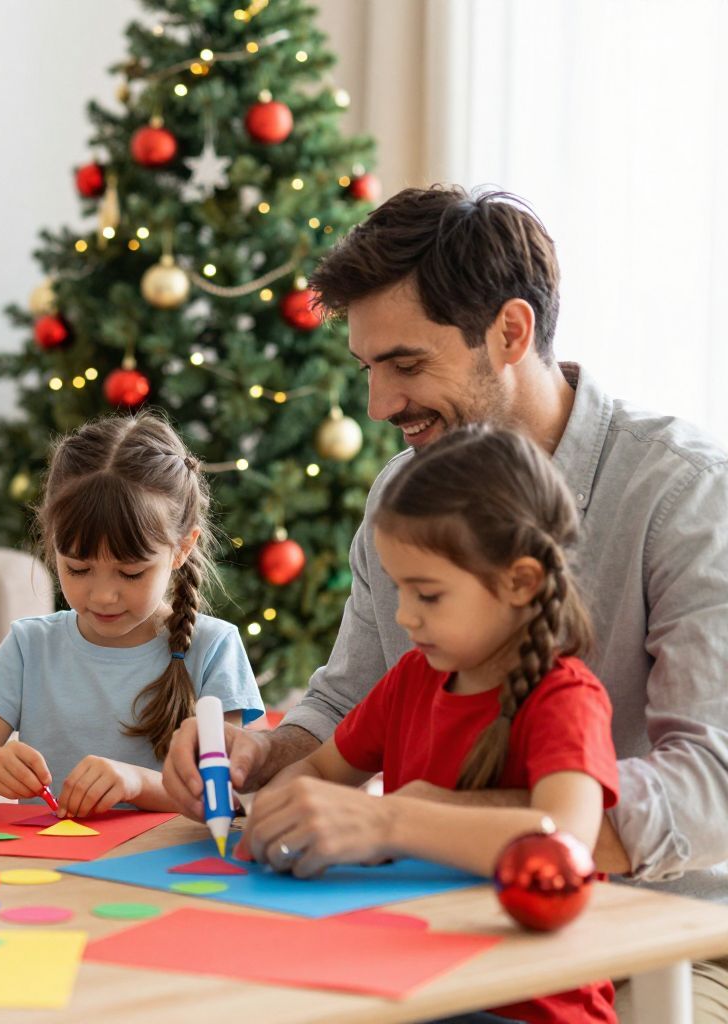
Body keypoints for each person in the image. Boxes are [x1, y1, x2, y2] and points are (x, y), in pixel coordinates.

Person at [161, 186, 728, 1018]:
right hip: (445, 916)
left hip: (667, 944)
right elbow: (346, 703)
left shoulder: (684, 492)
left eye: (406, 364)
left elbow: (711, 790)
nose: (379, 406)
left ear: (510, 332)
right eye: (368, 368)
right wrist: (253, 757)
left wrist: (421, 820)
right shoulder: (407, 491)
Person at [242, 425, 617, 1023]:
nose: (403, 615)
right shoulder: (413, 677)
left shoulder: (565, 698)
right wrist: (282, 809)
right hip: (409, 977)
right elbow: (322, 767)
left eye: (429, 595)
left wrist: (392, 820)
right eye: (398, 589)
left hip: (525, 1005)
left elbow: (566, 841)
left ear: (520, 582)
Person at [0, 413, 263, 817]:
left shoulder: (213, 648)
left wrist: (138, 782)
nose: (103, 596)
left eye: (131, 572)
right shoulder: (30, 645)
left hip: (161, 867)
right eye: (78, 569)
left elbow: (227, 794)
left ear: (181, 548)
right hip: (48, 869)